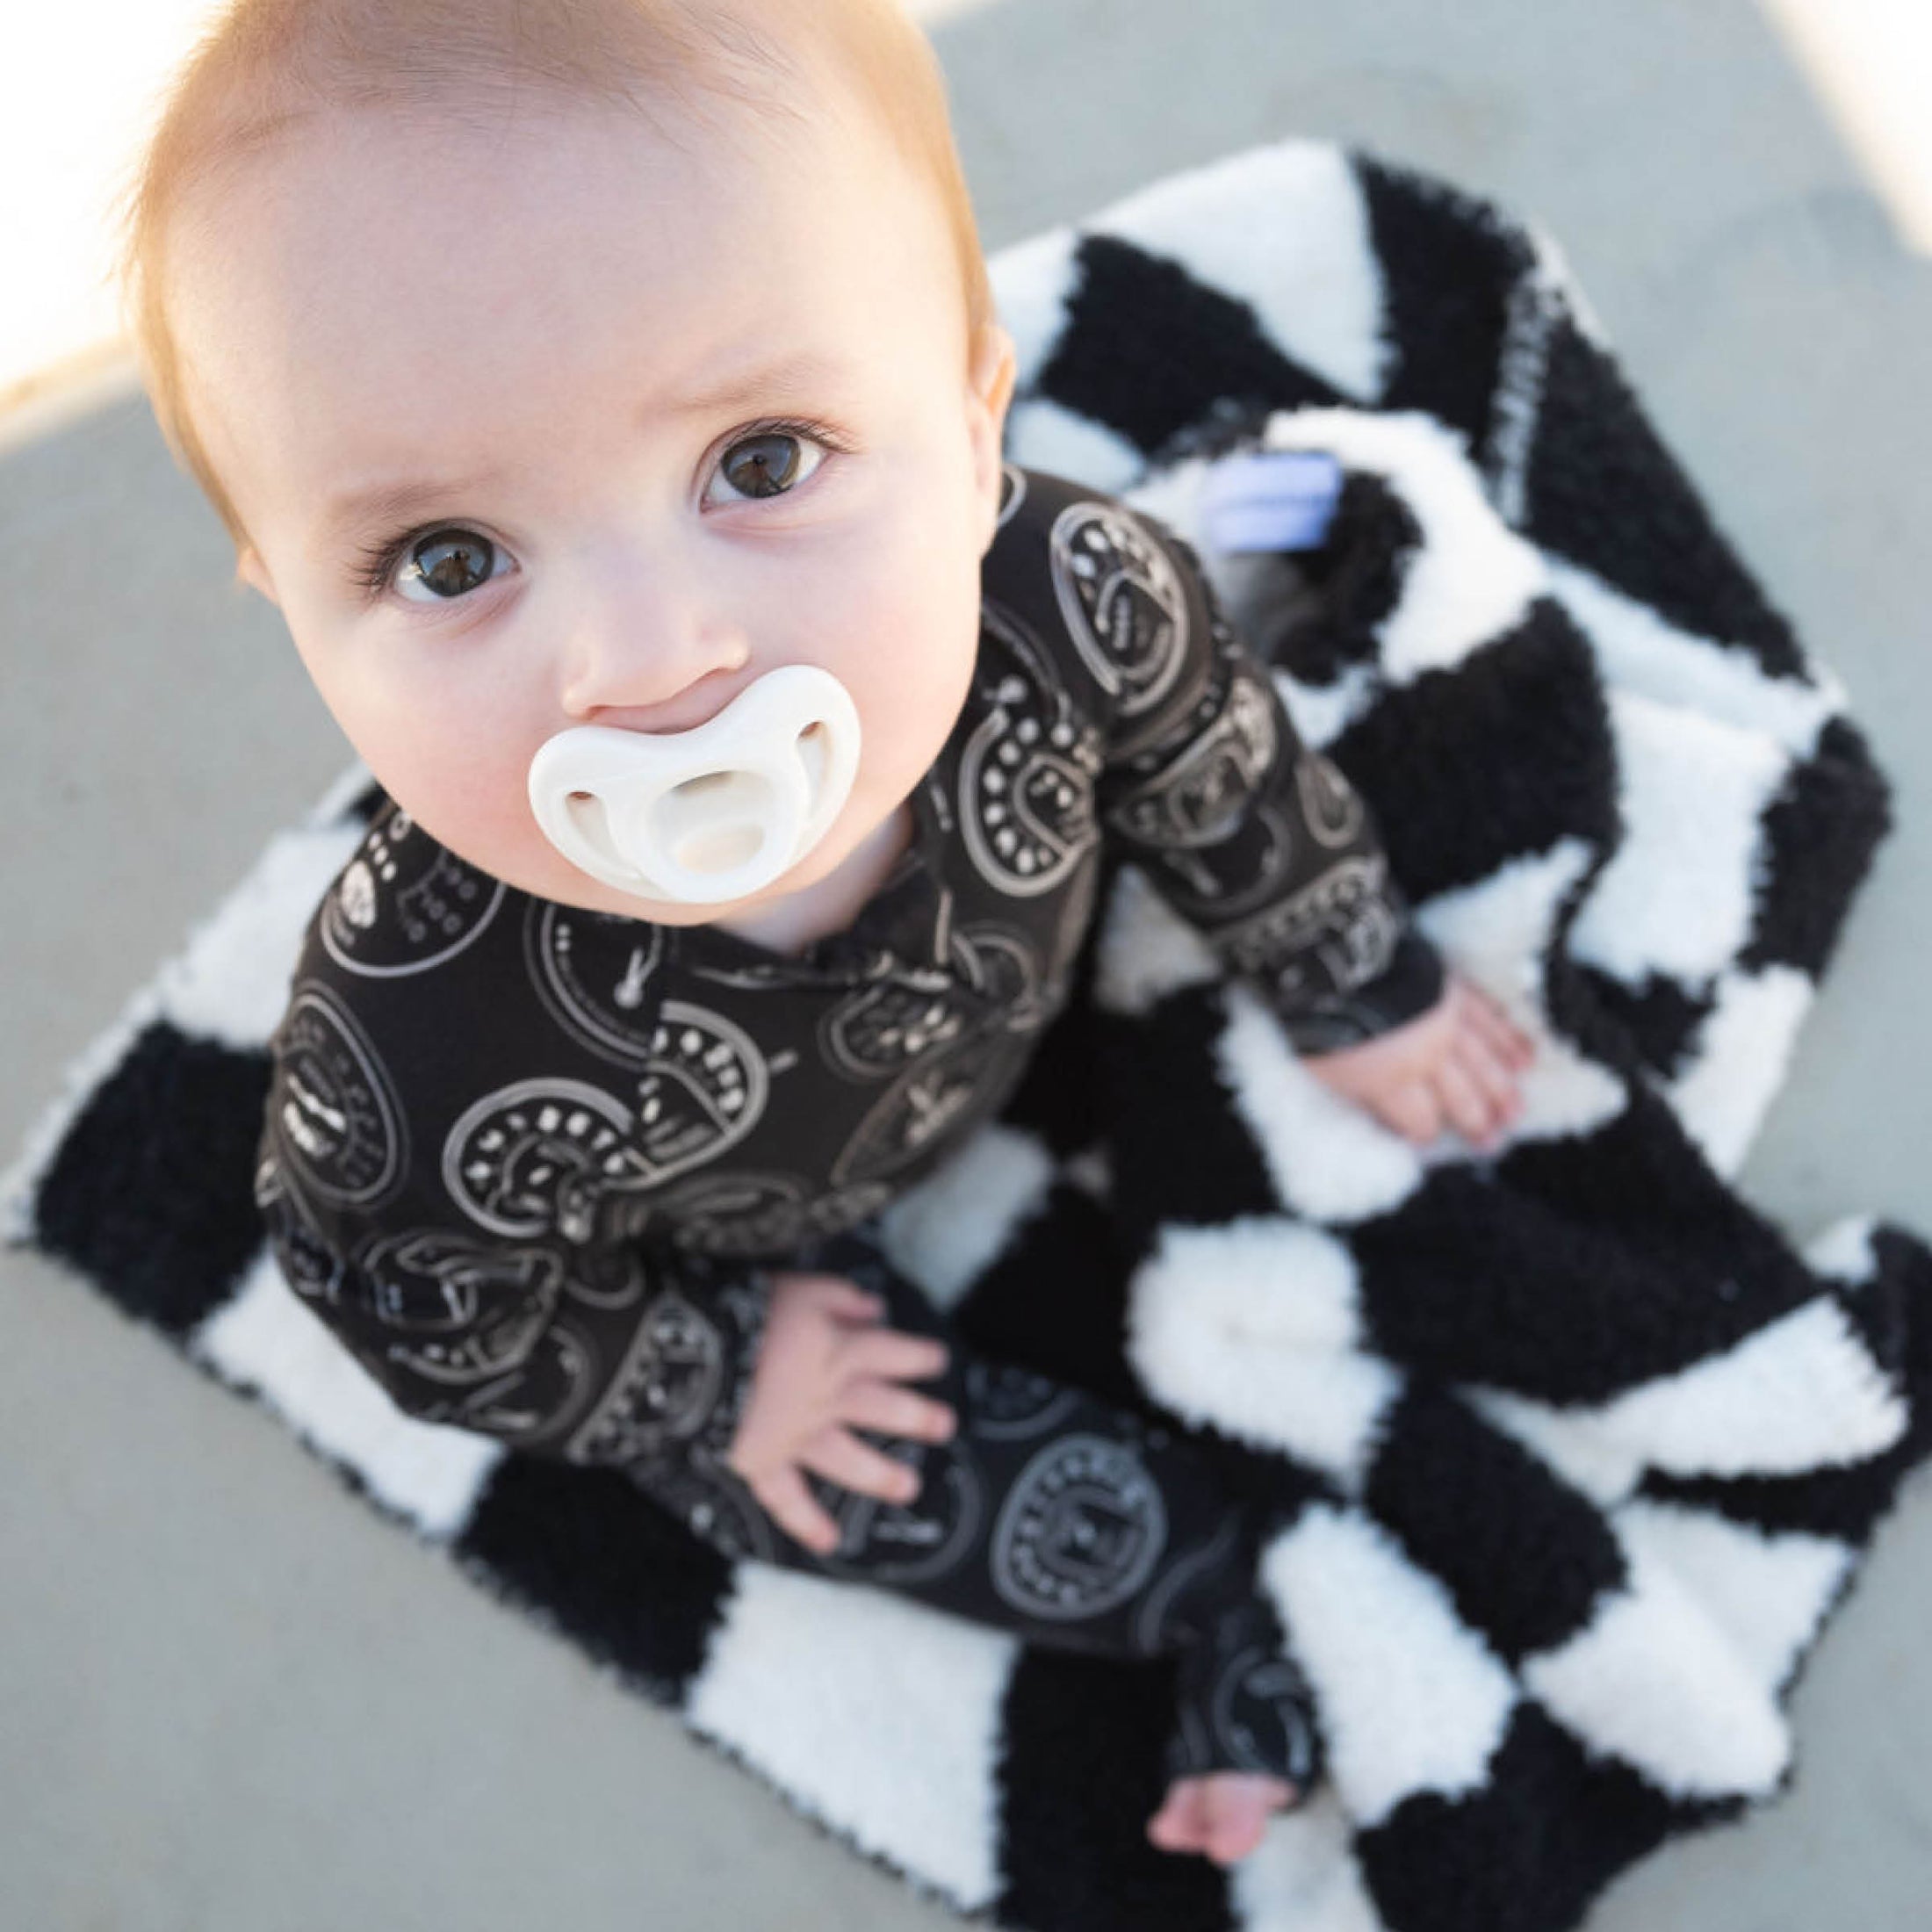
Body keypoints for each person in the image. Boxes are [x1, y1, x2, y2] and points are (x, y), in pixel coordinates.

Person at [120, 0, 1533, 1867]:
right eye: (450, 558)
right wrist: (701, 1377)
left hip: (1012, 996)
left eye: (763, 459)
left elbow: (1216, 760)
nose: (644, 658)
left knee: (1231, 690)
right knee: (828, 1471)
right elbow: (428, 1306)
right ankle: (1213, 1603)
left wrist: (1350, 976)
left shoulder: (1060, 596)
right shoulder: (417, 1040)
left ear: (965, 423)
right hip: (728, 1254)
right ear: (294, 601)